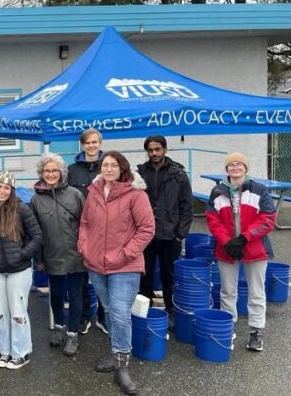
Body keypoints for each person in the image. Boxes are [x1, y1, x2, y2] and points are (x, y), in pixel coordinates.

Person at [78, 151, 154, 395]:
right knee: (110, 310)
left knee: (120, 313)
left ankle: (122, 366)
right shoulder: (94, 192)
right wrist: (84, 246)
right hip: (96, 264)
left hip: (125, 265)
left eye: (113, 165)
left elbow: (146, 229)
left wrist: (125, 253)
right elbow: (85, 223)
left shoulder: (136, 194)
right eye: (105, 165)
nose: (108, 169)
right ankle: (115, 352)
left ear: (122, 168)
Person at [206, 152, 275, 352]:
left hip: (254, 248)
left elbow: (268, 219)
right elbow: (212, 220)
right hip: (226, 249)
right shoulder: (217, 191)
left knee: (256, 291)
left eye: (239, 164)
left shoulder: (259, 190)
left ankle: (255, 332)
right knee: (227, 291)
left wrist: (244, 238)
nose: (235, 167)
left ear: (246, 167)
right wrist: (228, 242)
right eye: (231, 164)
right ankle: (228, 328)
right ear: (226, 169)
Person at [0, 171, 42, 370]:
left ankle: (21, 352)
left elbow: (37, 236)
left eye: (6, 187)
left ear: (12, 190)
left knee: (18, 312)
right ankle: (5, 351)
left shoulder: (21, 209)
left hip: (19, 269)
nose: (1, 191)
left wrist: (23, 255)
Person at [30, 154, 86, 357]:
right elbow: (35, 232)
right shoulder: (36, 199)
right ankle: (60, 327)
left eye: (54, 170)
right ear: (41, 174)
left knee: (76, 294)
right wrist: (39, 259)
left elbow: (86, 225)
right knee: (56, 294)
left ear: (62, 172)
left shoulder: (75, 195)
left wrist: (86, 249)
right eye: (47, 171)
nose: (51, 174)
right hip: (51, 254)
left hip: (77, 254)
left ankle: (72, 334)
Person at [136, 135, 193, 315]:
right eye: (150, 150)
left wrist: (180, 234)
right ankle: (145, 312)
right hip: (145, 235)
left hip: (170, 235)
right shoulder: (139, 174)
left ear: (165, 149)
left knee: (169, 276)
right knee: (144, 275)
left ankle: (171, 311)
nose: (154, 153)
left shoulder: (178, 174)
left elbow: (186, 206)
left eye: (157, 149)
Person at [66, 128, 107, 334]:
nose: (91, 146)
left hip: (104, 230)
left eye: (95, 142)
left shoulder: (109, 166)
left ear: (100, 143)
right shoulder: (72, 170)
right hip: (78, 229)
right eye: (87, 142)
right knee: (80, 276)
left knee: (102, 274)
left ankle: (102, 316)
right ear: (82, 145)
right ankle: (83, 316)